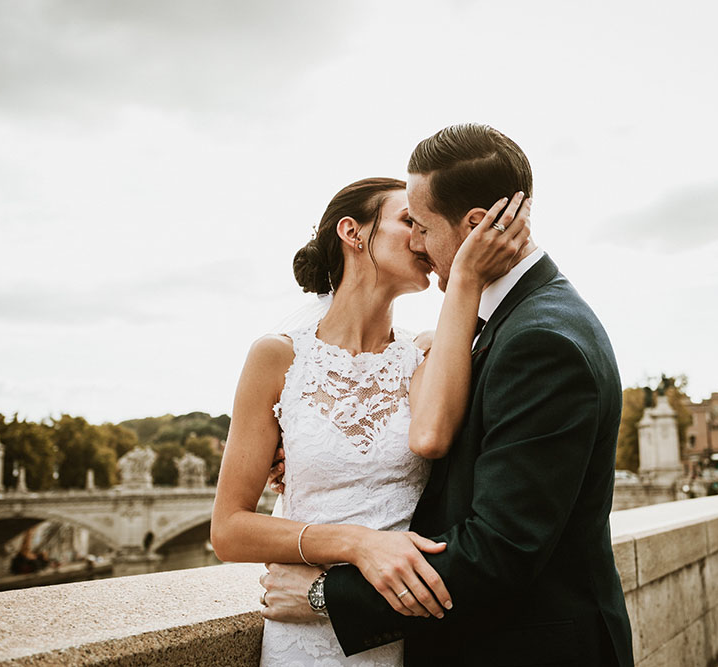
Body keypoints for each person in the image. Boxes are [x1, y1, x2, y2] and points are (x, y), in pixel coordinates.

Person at [260, 124, 635, 666]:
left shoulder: (540, 340)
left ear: (477, 225)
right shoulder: (510, 322)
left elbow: (502, 550)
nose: (416, 242)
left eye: (423, 226)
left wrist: (326, 597)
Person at [209, 175, 532, 666]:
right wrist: (358, 544)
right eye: (409, 221)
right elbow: (229, 529)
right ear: (352, 233)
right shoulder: (275, 359)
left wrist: (464, 277)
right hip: (304, 643)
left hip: (408, 633)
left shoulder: (424, 353)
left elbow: (431, 437)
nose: (423, 238)